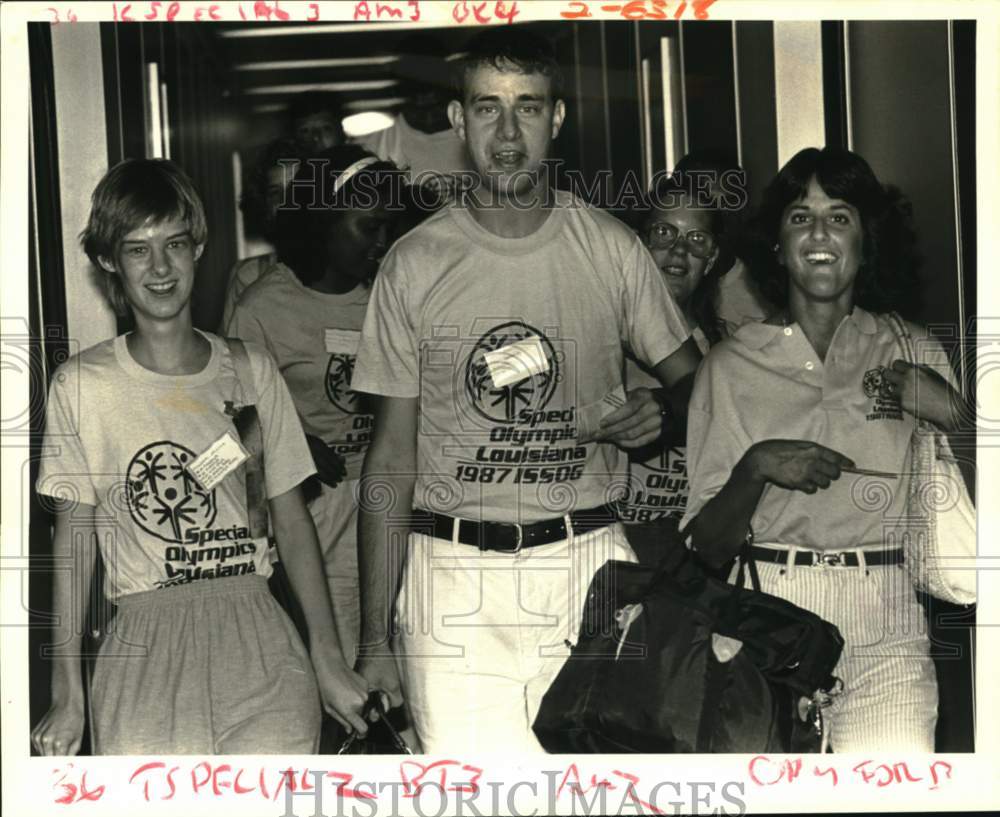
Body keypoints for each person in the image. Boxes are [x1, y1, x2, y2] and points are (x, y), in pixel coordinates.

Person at [351, 27, 702, 754]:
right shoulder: (413, 264)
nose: (508, 132)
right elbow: (388, 461)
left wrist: (663, 410)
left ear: (558, 118)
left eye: (529, 107)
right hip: (452, 575)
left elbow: (701, 384)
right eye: (487, 108)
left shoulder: (609, 246)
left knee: (600, 793)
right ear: (457, 121)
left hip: (587, 562)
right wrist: (373, 634)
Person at [30, 159, 369, 756]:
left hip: (259, 639)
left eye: (175, 244)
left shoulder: (250, 368)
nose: (160, 268)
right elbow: (75, 542)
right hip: (143, 644)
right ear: (109, 259)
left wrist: (329, 658)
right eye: (138, 249)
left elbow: (292, 522)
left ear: (199, 247)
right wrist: (67, 693)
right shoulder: (81, 387)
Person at [682, 146, 966, 751]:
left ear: (865, 240)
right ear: (777, 245)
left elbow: (980, 499)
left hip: (888, 620)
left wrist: (955, 415)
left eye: (839, 217)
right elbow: (705, 546)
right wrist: (754, 468)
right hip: (767, 617)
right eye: (799, 217)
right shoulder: (730, 367)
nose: (818, 233)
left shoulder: (913, 350)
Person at [227, 145, 398, 671]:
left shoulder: (394, 293)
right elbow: (232, 425)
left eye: (388, 227)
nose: (382, 242)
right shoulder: (263, 309)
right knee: (346, 663)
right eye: (367, 228)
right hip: (319, 519)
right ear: (324, 221)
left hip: (396, 511)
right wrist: (292, 444)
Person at [620, 169, 729, 567]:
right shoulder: (600, 339)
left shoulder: (726, 353)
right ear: (640, 242)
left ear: (712, 258)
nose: (679, 253)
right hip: (610, 549)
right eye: (664, 234)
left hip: (686, 561)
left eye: (696, 240)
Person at [355, 33, 472, 204]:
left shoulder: (484, 139)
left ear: (451, 82)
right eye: (413, 84)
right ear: (398, 88)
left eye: (432, 80)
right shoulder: (371, 149)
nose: (425, 95)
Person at [219, 137, 301, 331]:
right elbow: (231, 354)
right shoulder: (249, 277)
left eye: (296, 190)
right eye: (275, 193)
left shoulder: (348, 274)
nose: (286, 202)